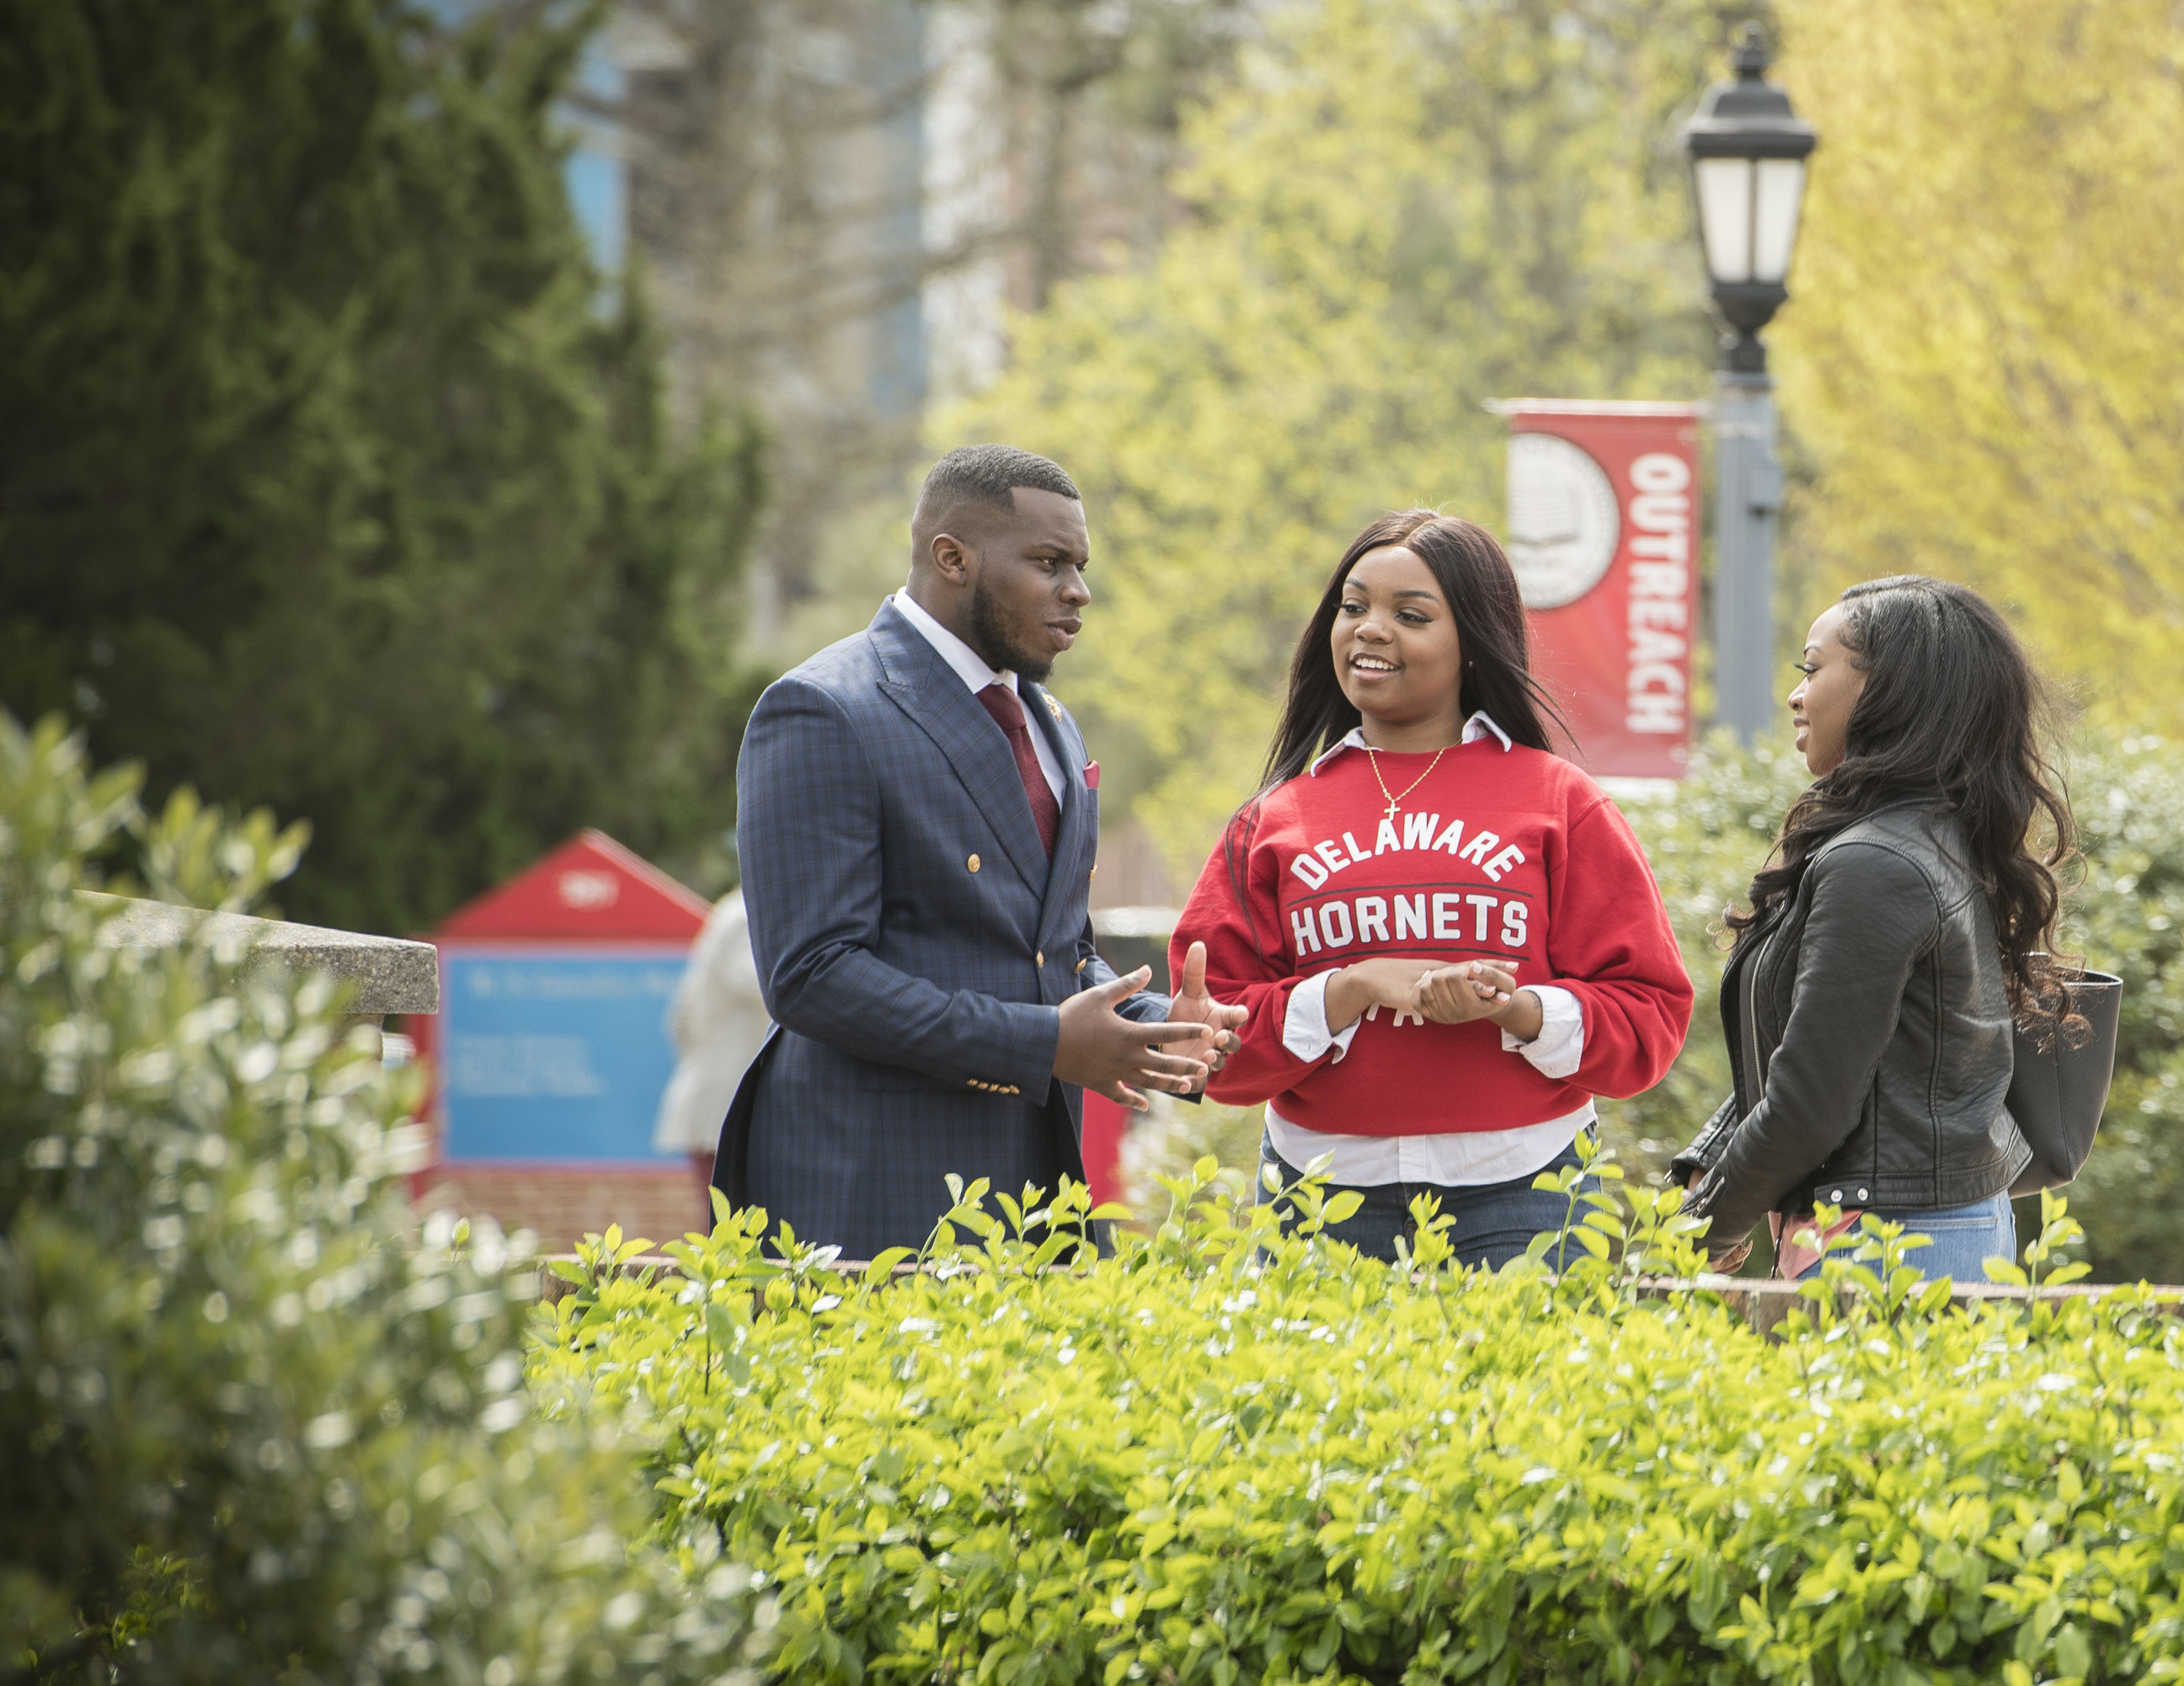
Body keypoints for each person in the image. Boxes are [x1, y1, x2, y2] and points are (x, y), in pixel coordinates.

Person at [728, 446, 1236, 1256]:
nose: (1079, 591)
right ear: (952, 558)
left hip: (1037, 1190)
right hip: (874, 1193)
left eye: (1080, 565)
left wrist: (1147, 1024)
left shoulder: (1051, 723)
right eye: (1048, 563)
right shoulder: (822, 708)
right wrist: (1045, 1045)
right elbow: (812, 974)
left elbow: (1055, 952)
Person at [1176, 510, 1693, 1268]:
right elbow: (1219, 1051)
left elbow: (1648, 1022)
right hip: (1318, 1201)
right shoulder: (1270, 821)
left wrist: (1516, 1010)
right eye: (1353, 608)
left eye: (1409, 615)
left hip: (1526, 1193)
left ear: (1473, 642)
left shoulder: (1562, 802)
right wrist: (1351, 989)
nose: (1370, 630)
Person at [1677, 576, 2075, 1283]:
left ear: (1890, 690)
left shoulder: (1878, 862)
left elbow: (1810, 1104)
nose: (1796, 695)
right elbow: (1819, 1052)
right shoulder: (1916, 837)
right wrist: (1715, 1164)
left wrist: (1693, 1235)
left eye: (1812, 668)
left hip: (1895, 1242)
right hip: (1904, 1226)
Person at [654, 887, 771, 1206]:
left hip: (711, 1096)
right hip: (725, 1101)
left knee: (725, 1224)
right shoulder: (747, 915)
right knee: (727, 1226)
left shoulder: (726, 914)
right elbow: (758, 981)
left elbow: (679, 1019)